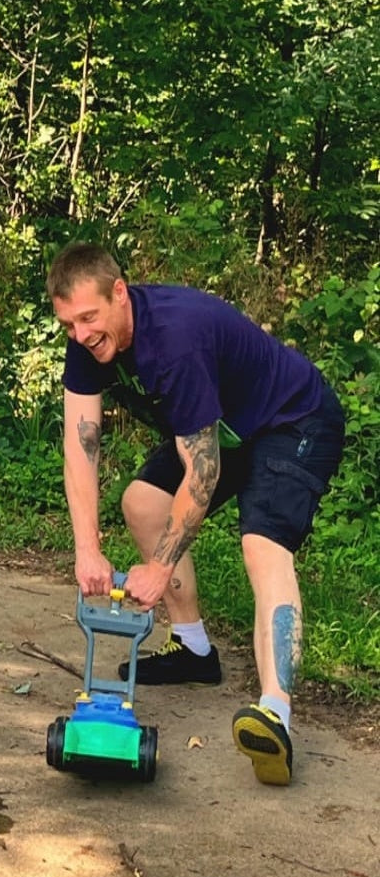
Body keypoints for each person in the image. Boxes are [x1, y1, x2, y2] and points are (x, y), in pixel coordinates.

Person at [47, 242, 345, 785]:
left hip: (294, 420)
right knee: (142, 502)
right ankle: (193, 649)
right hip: (224, 425)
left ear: (120, 293)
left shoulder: (173, 341)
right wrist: (86, 548)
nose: (81, 334)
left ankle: (275, 714)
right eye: (68, 324)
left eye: (89, 318)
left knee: (262, 543)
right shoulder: (85, 345)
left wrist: (160, 568)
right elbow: (79, 444)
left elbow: (201, 475)